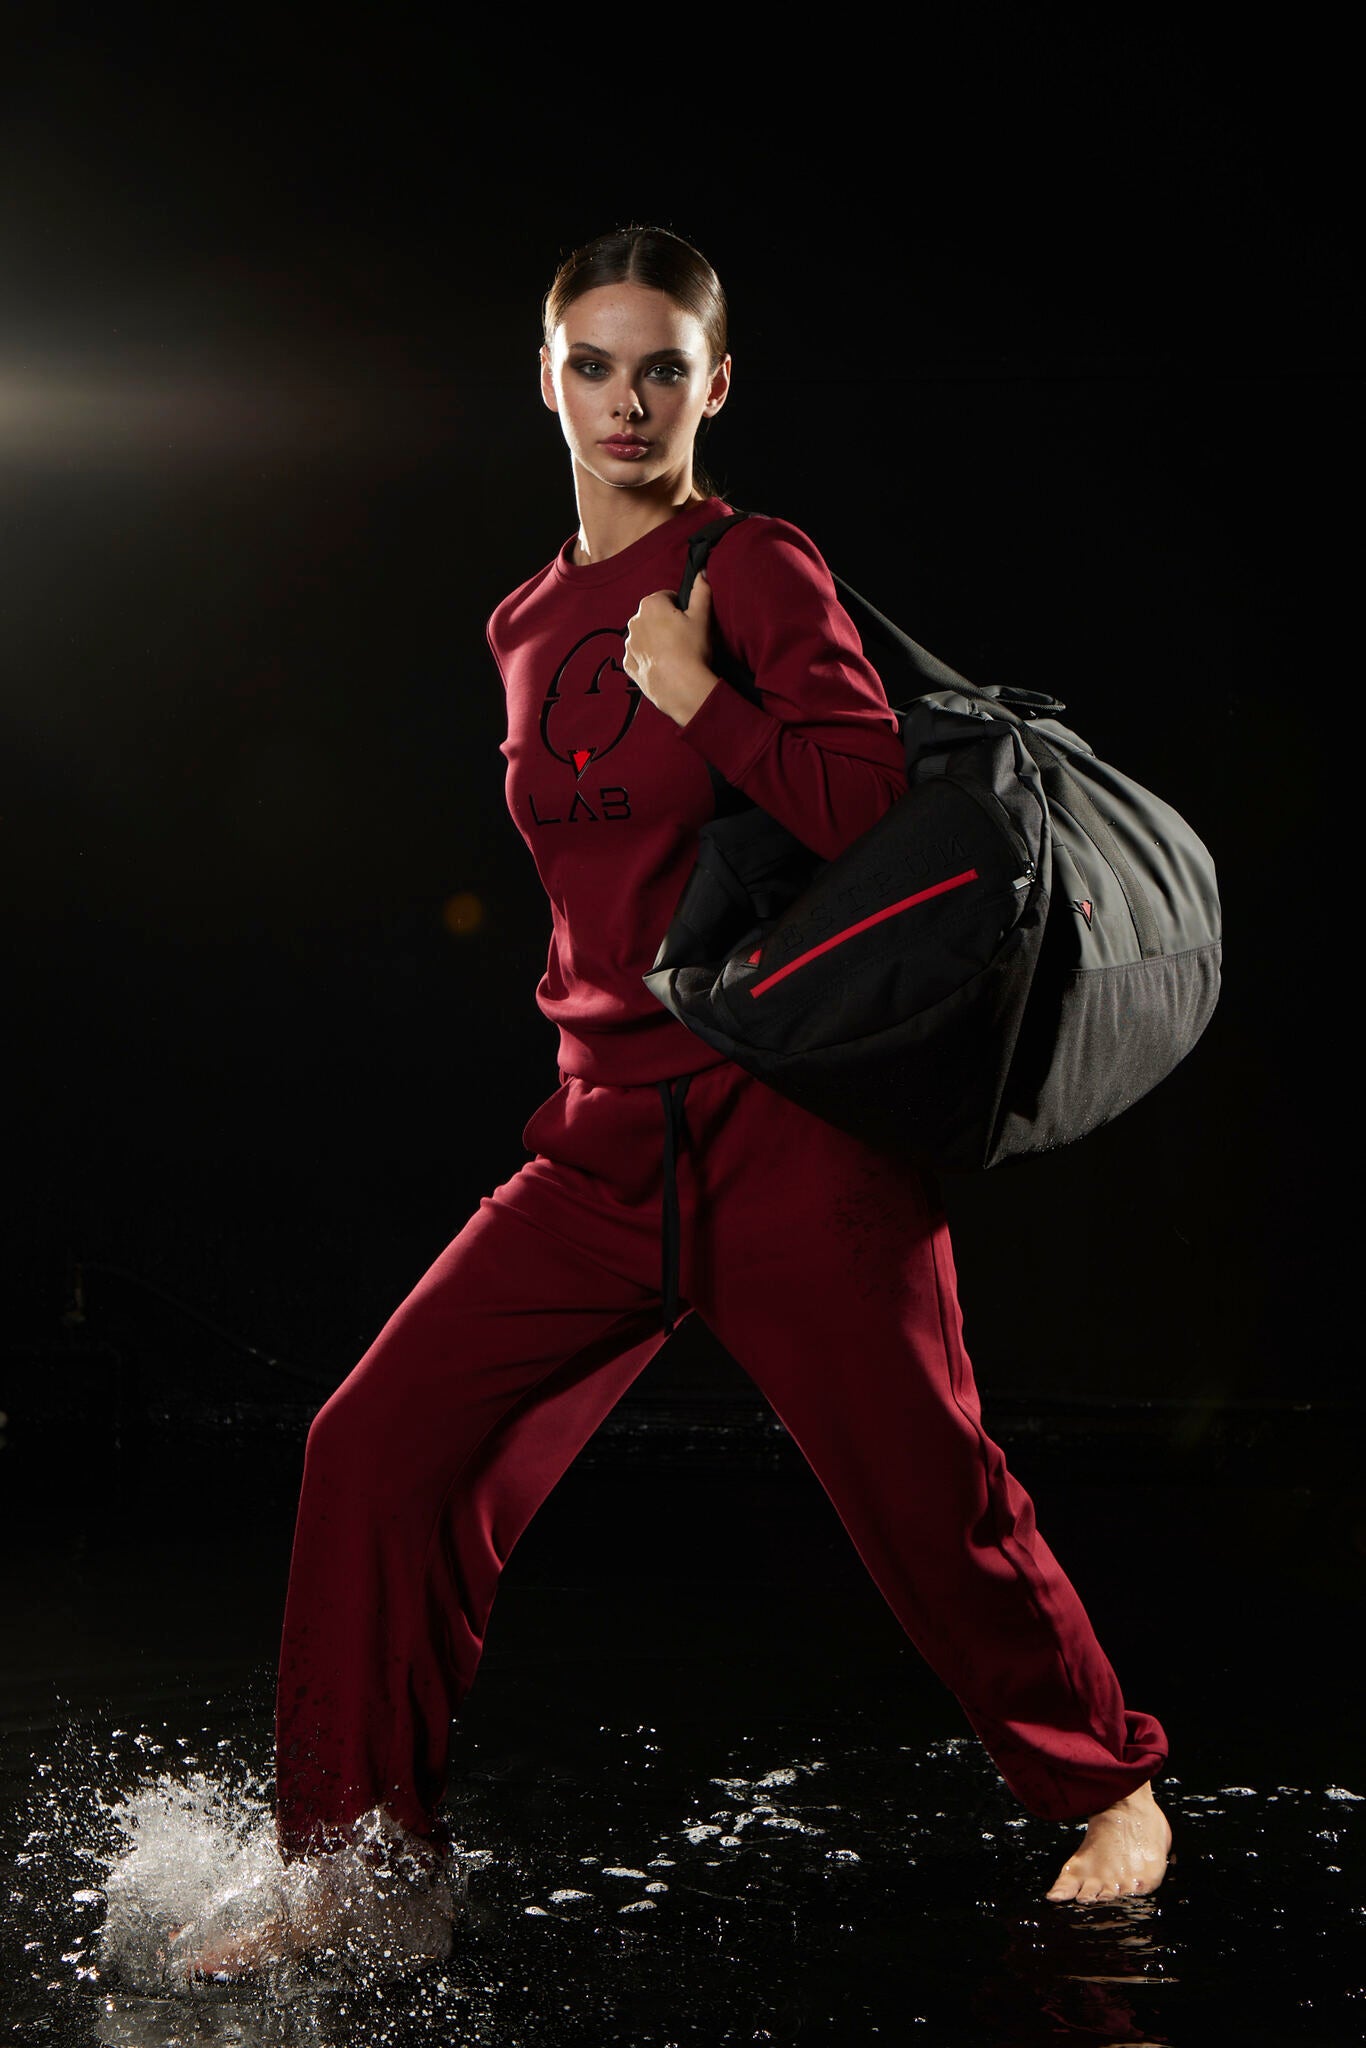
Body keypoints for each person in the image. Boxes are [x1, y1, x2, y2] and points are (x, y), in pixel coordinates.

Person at [175, 225, 1171, 1980]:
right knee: (374, 1448)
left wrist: (698, 689)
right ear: (543, 380)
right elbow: (589, 898)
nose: (626, 400)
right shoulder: (517, 620)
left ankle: (1113, 1790)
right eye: (592, 365)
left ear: (715, 383)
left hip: (790, 1132)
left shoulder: (756, 561)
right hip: (597, 1136)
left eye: (662, 368)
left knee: (923, 1487)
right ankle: (357, 1864)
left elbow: (865, 806)